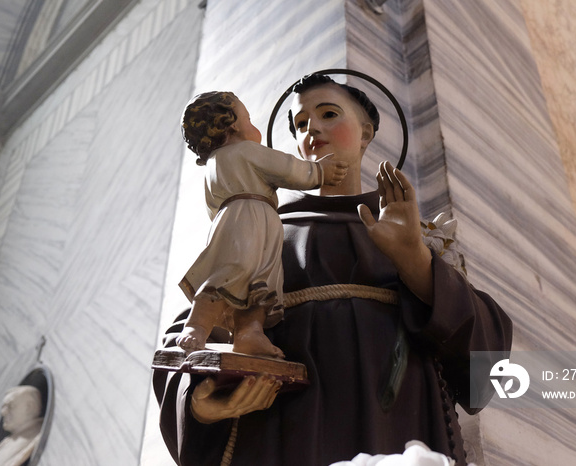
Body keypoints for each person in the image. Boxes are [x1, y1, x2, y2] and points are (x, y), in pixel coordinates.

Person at [153, 74, 512, 465]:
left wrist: (413, 259)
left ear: (366, 132)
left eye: (328, 114)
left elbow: (485, 373)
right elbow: (190, 334)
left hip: (400, 431)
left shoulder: (413, 235)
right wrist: (203, 404)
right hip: (287, 435)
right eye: (301, 124)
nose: (314, 129)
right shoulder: (265, 228)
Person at [177, 91, 348, 358]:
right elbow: (286, 168)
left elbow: (213, 208)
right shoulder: (246, 151)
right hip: (247, 219)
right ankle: (197, 326)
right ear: (232, 123)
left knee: (263, 280)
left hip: (248, 221)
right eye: (248, 118)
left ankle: (248, 335)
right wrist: (319, 172)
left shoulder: (213, 164)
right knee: (234, 269)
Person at [0, 386, 44, 466]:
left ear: (30, 407)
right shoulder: (7, 441)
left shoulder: (38, 433)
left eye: (10, 406)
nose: (3, 412)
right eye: (4, 407)